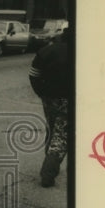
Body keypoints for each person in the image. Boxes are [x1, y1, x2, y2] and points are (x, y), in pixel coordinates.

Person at [28, 24, 71, 187]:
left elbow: (33, 75)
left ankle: (49, 159)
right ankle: (48, 173)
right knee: (61, 135)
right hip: (69, 99)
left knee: (52, 128)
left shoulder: (47, 51)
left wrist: (42, 93)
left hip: (49, 98)